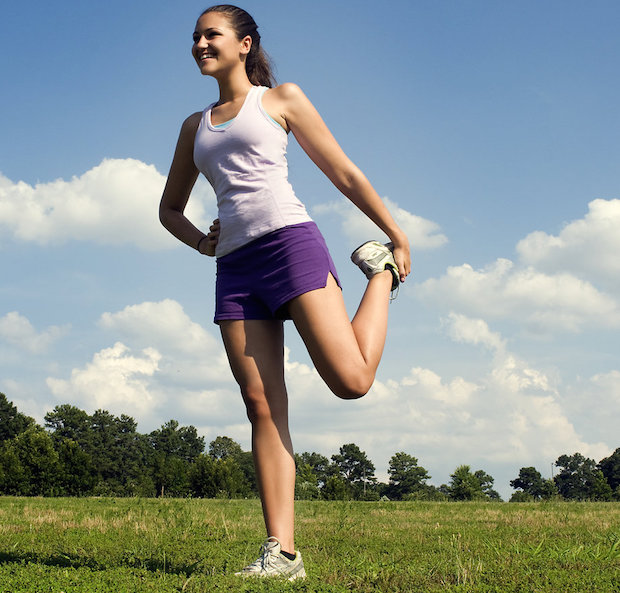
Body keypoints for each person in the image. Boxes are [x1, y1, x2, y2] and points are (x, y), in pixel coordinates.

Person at [159, 4, 411, 580]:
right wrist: (203, 242)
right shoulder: (193, 127)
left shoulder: (280, 100)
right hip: (236, 269)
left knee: (351, 382)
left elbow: (341, 170)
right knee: (262, 404)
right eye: (195, 36)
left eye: (211, 34)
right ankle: (283, 553)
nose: (200, 43)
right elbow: (168, 209)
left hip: (291, 246)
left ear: (245, 44)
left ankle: (380, 277)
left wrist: (395, 235)